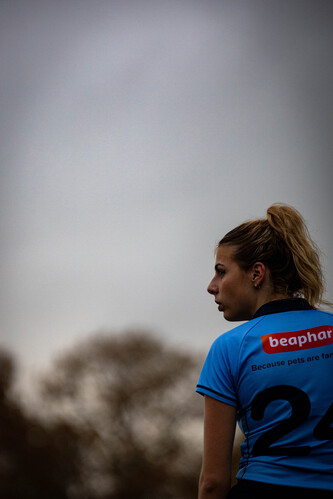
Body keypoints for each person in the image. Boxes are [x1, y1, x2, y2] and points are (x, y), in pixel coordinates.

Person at [196, 203, 333, 499]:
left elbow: (212, 482)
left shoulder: (230, 347)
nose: (211, 286)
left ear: (257, 273)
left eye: (221, 271)